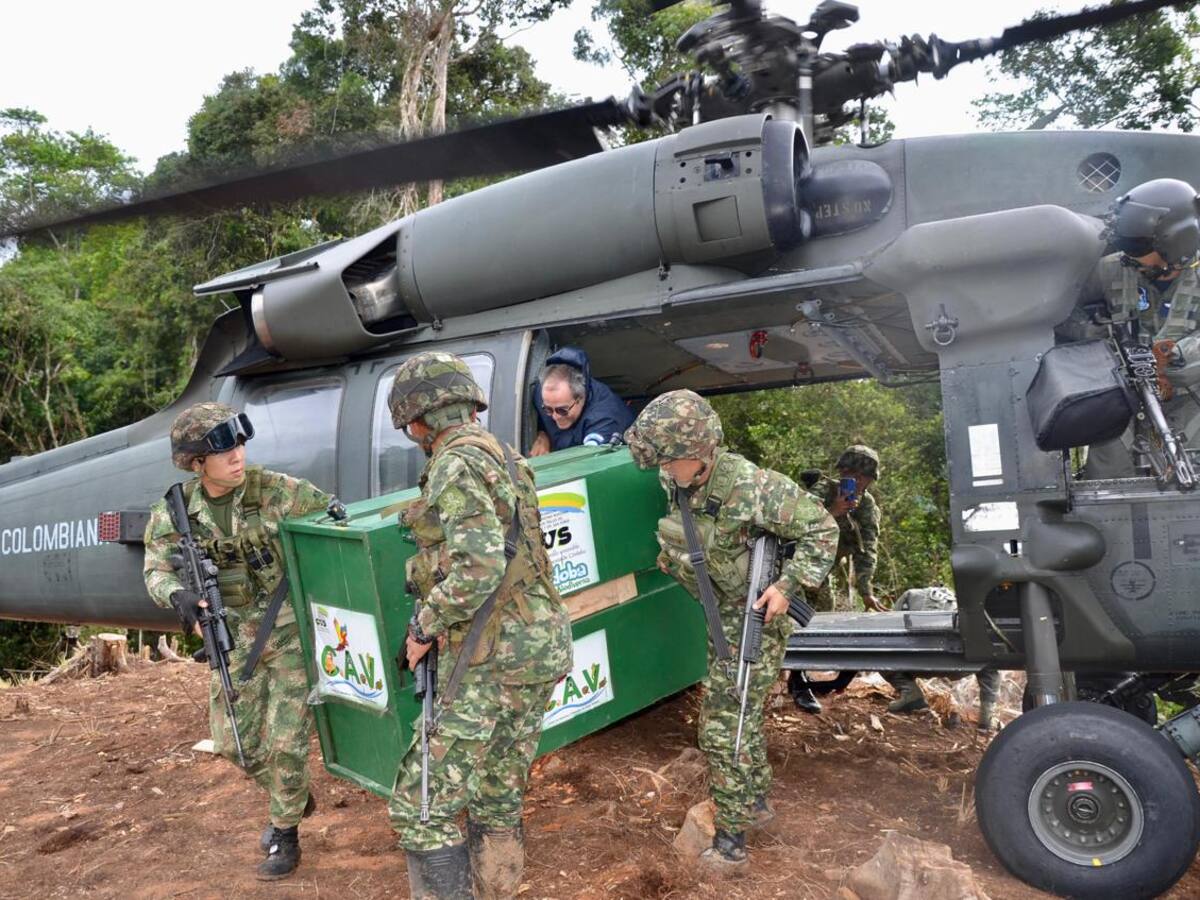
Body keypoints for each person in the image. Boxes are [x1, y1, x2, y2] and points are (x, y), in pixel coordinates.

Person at [386, 351, 572, 900]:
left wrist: (423, 627)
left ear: (420, 417)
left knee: (422, 805)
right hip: (536, 647)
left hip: (492, 656)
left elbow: (481, 565)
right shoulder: (506, 457)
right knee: (497, 793)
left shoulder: (454, 462)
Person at [624, 390, 837, 870]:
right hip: (720, 611)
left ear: (696, 454)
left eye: (667, 460)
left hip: (756, 617)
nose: (661, 470)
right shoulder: (678, 478)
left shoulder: (755, 487)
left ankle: (732, 843)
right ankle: (755, 804)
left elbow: (823, 529)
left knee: (726, 727)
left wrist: (789, 585)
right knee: (736, 716)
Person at [143, 402, 331, 880]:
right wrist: (177, 594)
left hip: (287, 634)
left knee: (287, 742)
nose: (237, 455)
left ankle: (284, 832)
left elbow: (333, 519)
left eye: (240, 444)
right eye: (222, 448)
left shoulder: (277, 491)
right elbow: (155, 568)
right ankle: (291, 795)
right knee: (234, 744)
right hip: (232, 642)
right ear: (195, 461)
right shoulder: (177, 511)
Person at [1071, 178, 1200, 478]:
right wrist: (1092, 335)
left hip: (1190, 400)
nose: (1129, 254)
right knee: (1107, 474)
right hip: (1126, 402)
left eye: (1138, 246)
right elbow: (1062, 310)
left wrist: (1175, 355)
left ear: (1175, 240)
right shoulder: (1112, 269)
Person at [787, 444, 883, 715]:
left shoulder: (866, 506)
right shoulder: (820, 491)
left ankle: (819, 679)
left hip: (823, 573)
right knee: (799, 620)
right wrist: (832, 511)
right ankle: (797, 683)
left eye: (864, 478)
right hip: (795, 567)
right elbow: (793, 527)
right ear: (843, 472)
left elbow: (868, 549)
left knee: (822, 622)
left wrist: (866, 591)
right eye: (853, 475)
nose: (860, 483)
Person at [883, 586, 1001, 732]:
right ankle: (987, 716)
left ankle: (910, 692)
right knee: (990, 659)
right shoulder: (964, 604)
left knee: (878, 654)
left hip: (918, 662)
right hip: (958, 664)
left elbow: (890, 627)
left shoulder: (910, 596)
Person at [530, 347, 634, 455]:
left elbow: (586, 466)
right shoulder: (544, 393)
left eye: (562, 410)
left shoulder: (605, 421)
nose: (555, 417)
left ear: (580, 398)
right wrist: (542, 434)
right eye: (548, 409)